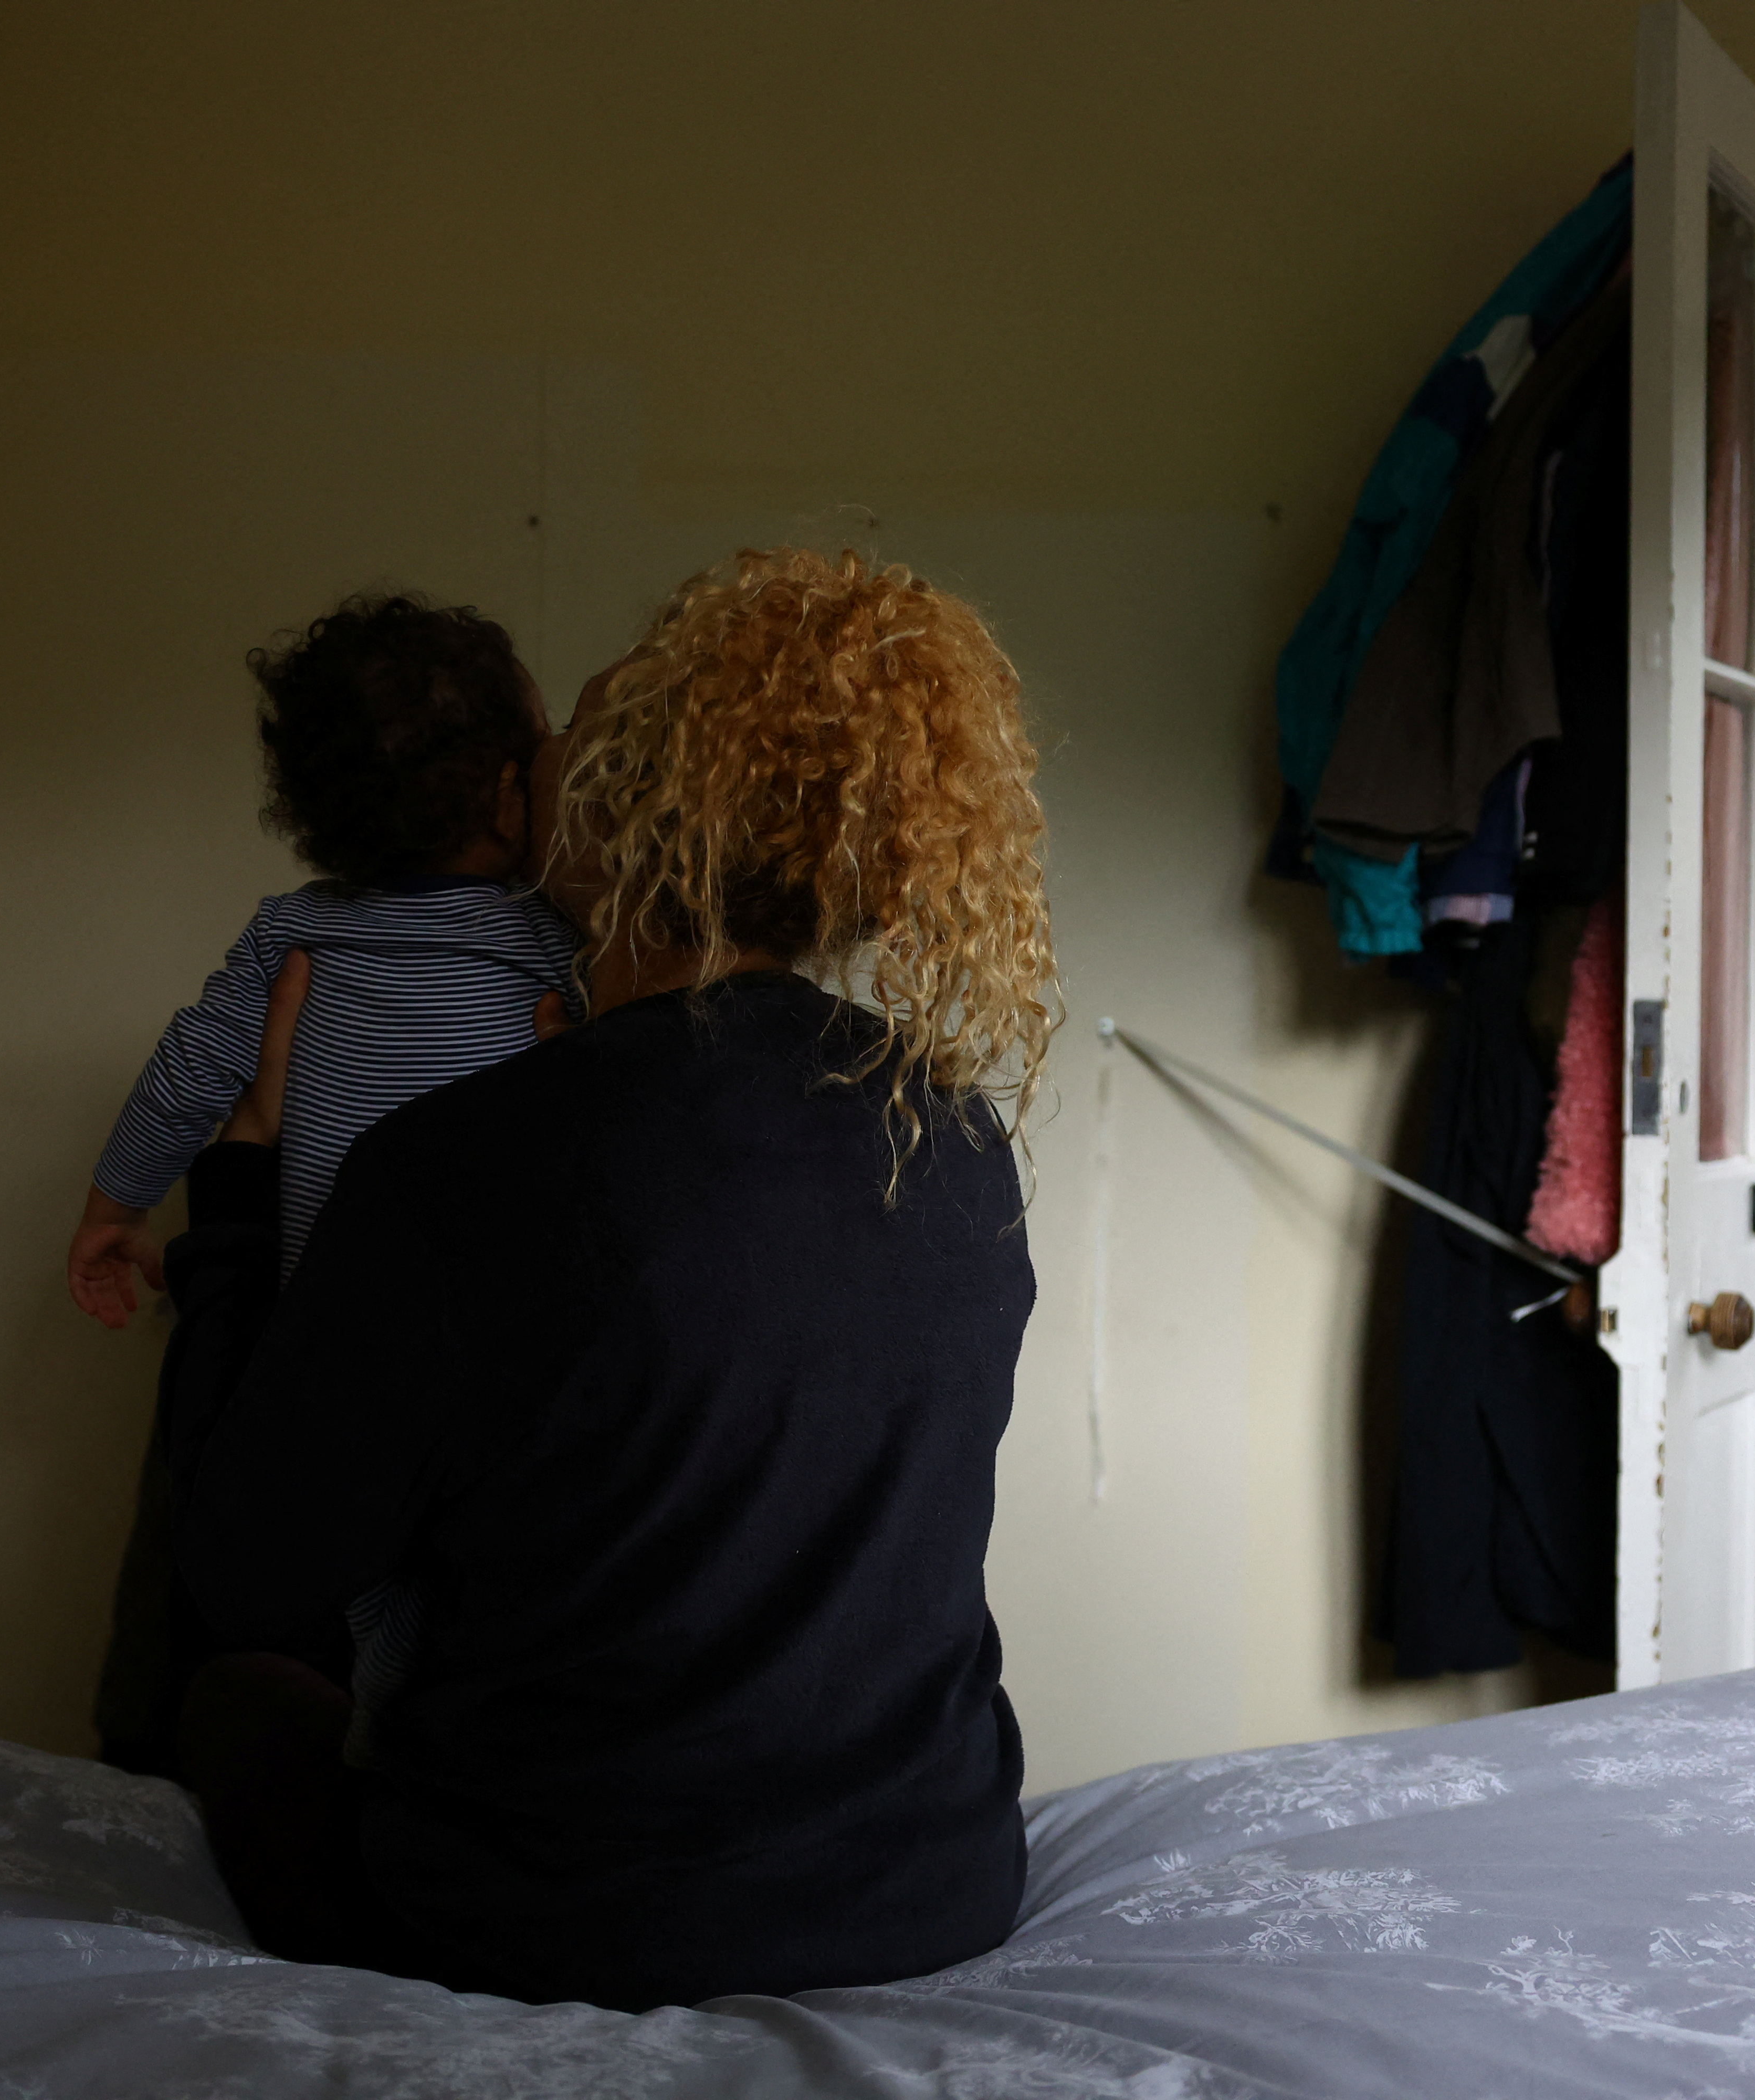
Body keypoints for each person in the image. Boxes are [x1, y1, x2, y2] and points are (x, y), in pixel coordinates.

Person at [160, 547, 1059, 2010]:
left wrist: (242, 1191)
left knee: (233, 1701)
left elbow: (247, 1577)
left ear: (635, 813)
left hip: (562, 1925)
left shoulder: (467, 1164)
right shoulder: (955, 1140)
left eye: (577, 737)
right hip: (933, 1890)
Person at [65, 592, 584, 1324]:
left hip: (326, 1324)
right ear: (508, 797)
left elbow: (187, 1076)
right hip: (502, 1326)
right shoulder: (555, 937)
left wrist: (113, 1210)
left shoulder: (295, 933)